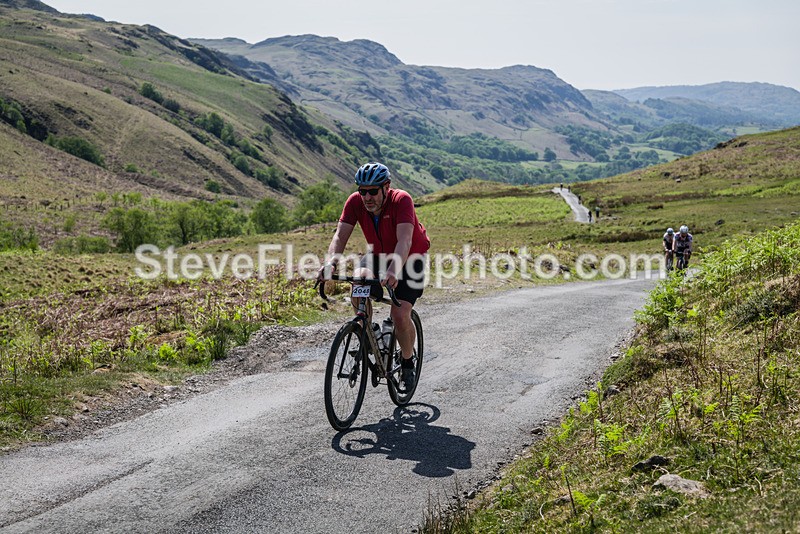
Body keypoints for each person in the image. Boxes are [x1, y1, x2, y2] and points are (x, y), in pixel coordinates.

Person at [318, 162, 430, 390]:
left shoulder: (402, 200)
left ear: (386, 187)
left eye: (373, 191)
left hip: (411, 259)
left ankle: (407, 362)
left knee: (399, 315)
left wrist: (392, 271)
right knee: (358, 280)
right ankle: (370, 332)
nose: (367, 197)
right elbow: (340, 236)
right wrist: (330, 262)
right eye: (363, 191)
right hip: (377, 256)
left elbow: (405, 241)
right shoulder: (355, 202)